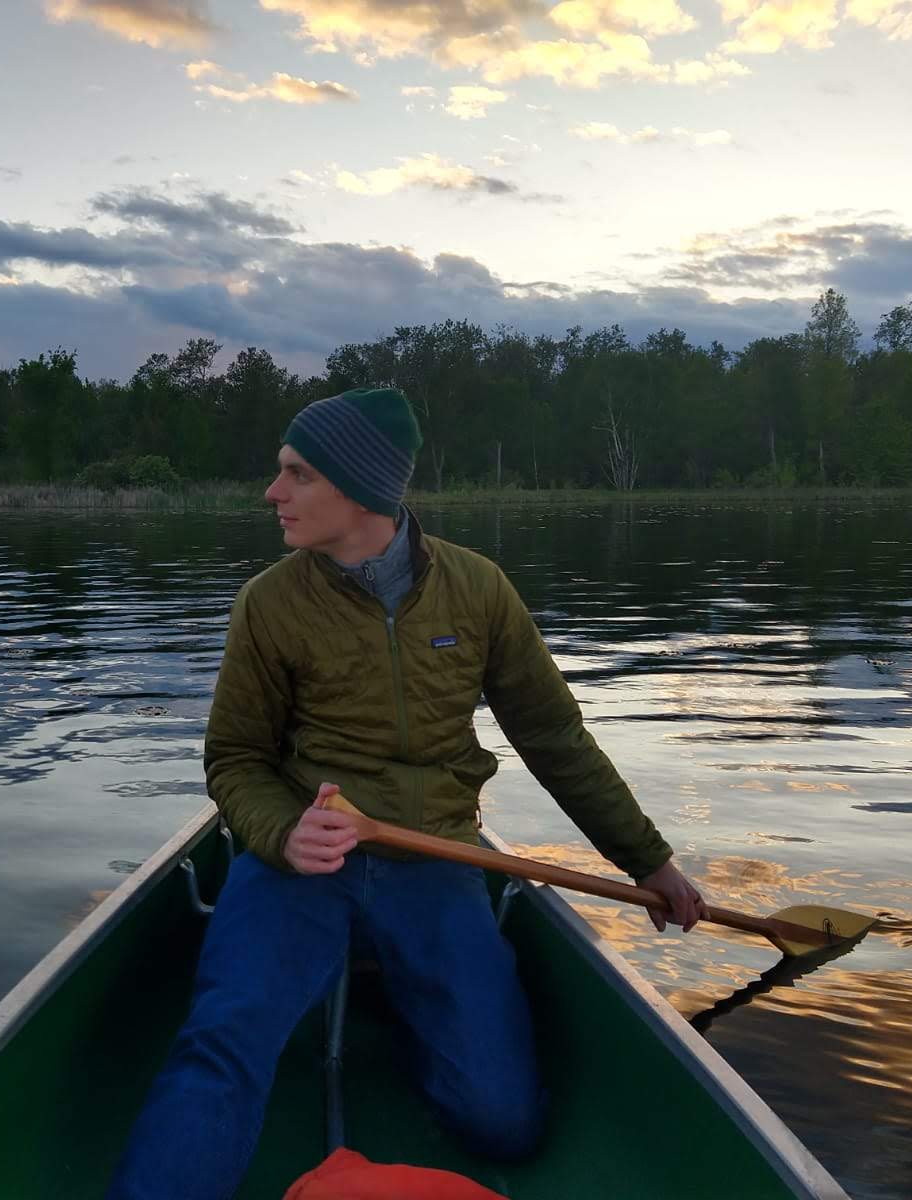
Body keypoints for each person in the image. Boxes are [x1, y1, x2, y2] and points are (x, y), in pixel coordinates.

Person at [105, 387, 706, 1200]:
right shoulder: (270, 603)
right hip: (300, 864)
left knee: (503, 1122)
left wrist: (647, 859)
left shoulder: (478, 591)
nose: (271, 492)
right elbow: (236, 759)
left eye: (296, 474)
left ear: (357, 488)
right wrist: (282, 834)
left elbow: (556, 739)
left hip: (434, 856)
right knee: (222, 1045)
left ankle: (415, 999)